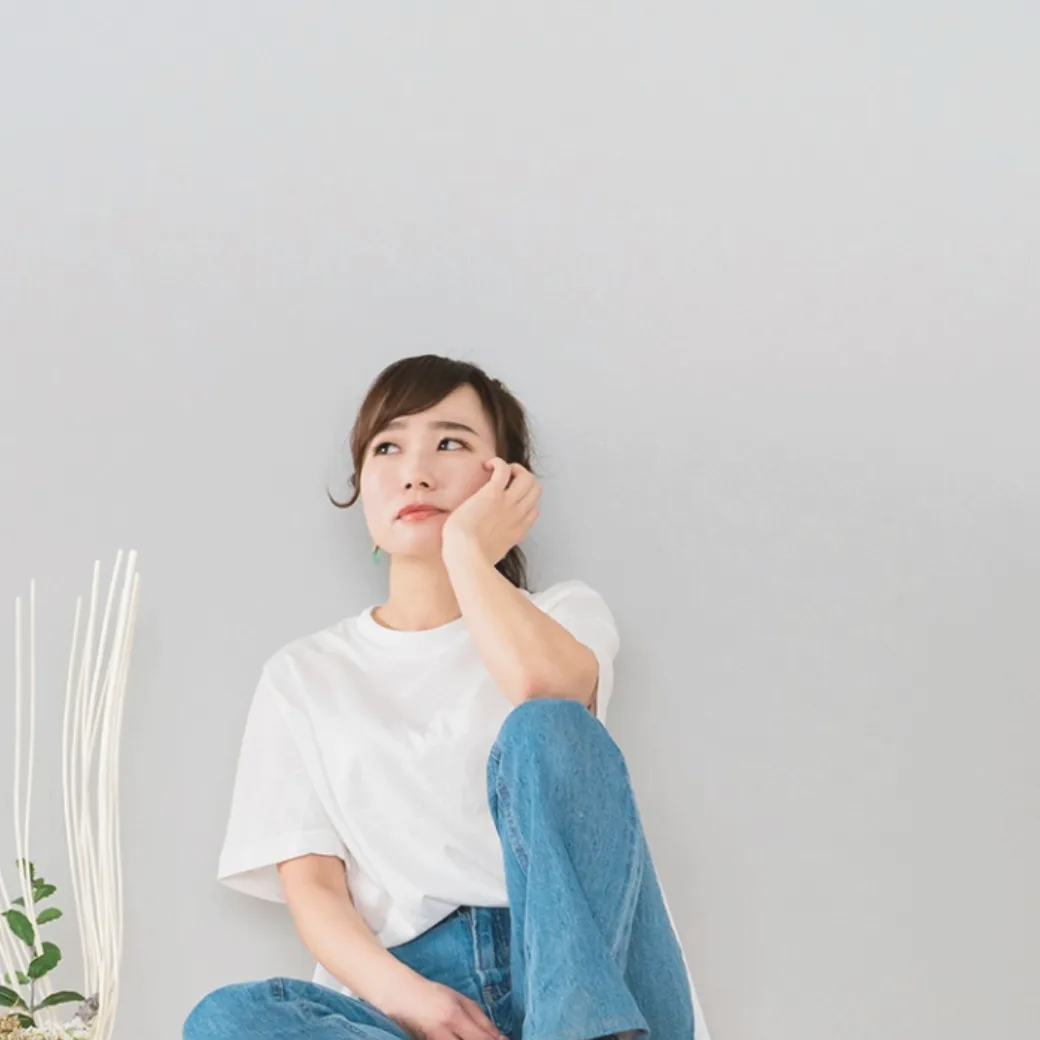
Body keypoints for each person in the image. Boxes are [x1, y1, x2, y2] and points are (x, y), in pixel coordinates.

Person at [182, 355, 705, 1040]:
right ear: (361, 487)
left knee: (547, 727)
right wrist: (418, 1002)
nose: (415, 472)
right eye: (387, 447)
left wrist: (464, 549)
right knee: (225, 1021)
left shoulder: (565, 614)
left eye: (451, 442)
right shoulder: (303, 675)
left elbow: (548, 696)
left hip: (590, 972)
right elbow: (313, 889)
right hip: (416, 995)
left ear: (507, 478)